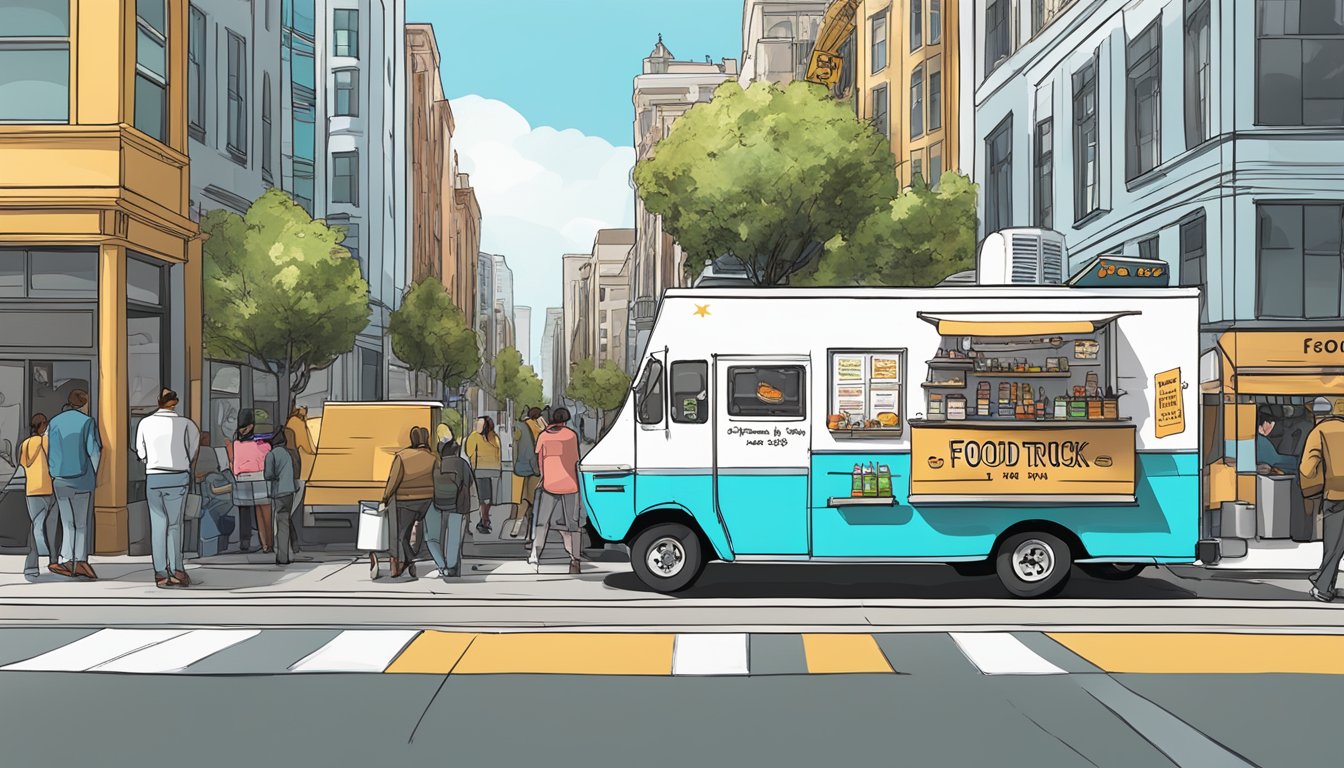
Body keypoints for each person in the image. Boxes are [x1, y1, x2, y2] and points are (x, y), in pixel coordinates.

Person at [135, 389, 201, 588]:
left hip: (154, 476)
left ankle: (161, 572)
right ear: (176, 403)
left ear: (159, 402)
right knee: (175, 525)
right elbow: (193, 449)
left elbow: (140, 451)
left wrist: (151, 461)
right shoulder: (187, 424)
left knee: (158, 524)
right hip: (178, 476)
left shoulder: (145, 423)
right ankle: (177, 569)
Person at [45, 389, 101, 580]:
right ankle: (80, 561)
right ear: (84, 403)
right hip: (82, 478)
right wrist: (94, 474)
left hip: (59, 478)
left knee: (67, 522)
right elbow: (93, 451)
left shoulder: (54, 422)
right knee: (81, 523)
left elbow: (48, 449)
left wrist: (53, 470)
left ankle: (66, 558)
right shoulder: (87, 422)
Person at [530, 407, 584, 574]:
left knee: (541, 522)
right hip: (570, 484)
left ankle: (535, 555)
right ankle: (575, 558)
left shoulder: (543, 436)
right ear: (566, 420)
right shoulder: (571, 436)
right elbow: (575, 459)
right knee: (572, 524)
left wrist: (544, 476)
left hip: (550, 484)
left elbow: (540, 460)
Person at [1303, 397, 1344, 602]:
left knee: (1334, 543)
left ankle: (1322, 587)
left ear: (1317, 415)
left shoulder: (1319, 432)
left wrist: (1310, 492)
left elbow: (1308, 468)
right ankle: (1321, 580)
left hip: (1335, 496)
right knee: (1339, 545)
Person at [381, 426, 436, 579]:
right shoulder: (433, 458)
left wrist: (385, 497)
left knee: (401, 535)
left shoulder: (402, 457)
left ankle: (407, 561)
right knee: (417, 534)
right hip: (427, 501)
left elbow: (394, 480)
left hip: (405, 501)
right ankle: (410, 560)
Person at [426, 437, 475, 579]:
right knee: (453, 537)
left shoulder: (435, 463)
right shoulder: (461, 464)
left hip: (436, 504)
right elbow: (469, 482)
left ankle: (441, 565)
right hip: (457, 505)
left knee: (432, 538)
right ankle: (452, 566)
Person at [228, 411, 272, 553]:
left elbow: (233, 465)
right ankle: (269, 544)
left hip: (243, 480)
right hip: (260, 478)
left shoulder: (236, 444)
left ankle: (264, 544)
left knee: (256, 513)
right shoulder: (263, 445)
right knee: (265, 513)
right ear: (252, 426)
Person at [19, 414, 55, 581]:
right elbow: (53, 460)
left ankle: (31, 566)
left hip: (31, 489)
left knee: (35, 526)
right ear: (43, 425)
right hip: (48, 487)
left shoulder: (25, 444)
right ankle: (53, 560)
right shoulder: (46, 441)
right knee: (52, 528)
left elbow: (23, 464)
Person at [195, 433, 236, 558]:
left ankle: (210, 546)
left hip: (210, 494)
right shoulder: (213, 456)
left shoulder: (199, 455)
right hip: (219, 494)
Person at [508, 408, 545, 539]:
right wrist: (543, 426)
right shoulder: (538, 429)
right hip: (534, 468)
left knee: (521, 497)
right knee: (533, 498)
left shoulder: (519, 426)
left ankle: (517, 526)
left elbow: (515, 445)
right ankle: (531, 529)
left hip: (519, 468)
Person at [264, 428, 298, 565]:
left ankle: (282, 557)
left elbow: (268, 475)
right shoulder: (289, 453)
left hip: (279, 492)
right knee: (286, 520)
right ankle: (292, 549)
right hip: (290, 491)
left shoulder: (271, 455)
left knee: (280, 523)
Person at [464, 416, 502, 535]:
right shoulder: (495, 437)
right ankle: (485, 519)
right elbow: (499, 452)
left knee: (482, 497)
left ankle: (484, 520)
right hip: (495, 469)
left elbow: (469, 452)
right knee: (489, 497)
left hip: (479, 469)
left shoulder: (474, 436)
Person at [1255, 408, 1299, 475]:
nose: (1260, 431)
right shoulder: (1266, 439)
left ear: (1267, 422)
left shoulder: (1284, 434)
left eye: (1261, 427)